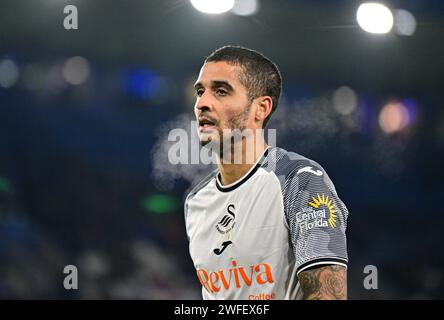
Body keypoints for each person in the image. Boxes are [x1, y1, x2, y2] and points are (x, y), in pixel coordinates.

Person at [184, 45, 349, 300]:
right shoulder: (195, 201)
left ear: (260, 108)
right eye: (200, 92)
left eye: (220, 91)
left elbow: (329, 296)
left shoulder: (300, 180)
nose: (202, 103)